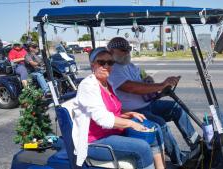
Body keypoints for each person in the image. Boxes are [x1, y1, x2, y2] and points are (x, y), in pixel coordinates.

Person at [107, 37, 200, 166]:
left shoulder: (129, 65)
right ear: (111, 51)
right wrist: (162, 85)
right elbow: (132, 87)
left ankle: (196, 144)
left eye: (129, 49)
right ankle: (179, 160)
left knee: (176, 108)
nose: (127, 52)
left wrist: (149, 79)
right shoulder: (113, 69)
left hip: (148, 103)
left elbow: (143, 77)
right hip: (134, 111)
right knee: (160, 124)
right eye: (123, 50)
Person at [72, 47, 165, 169]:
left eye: (110, 62)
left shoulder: (107, 83)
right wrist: (131, 123)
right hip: (96, 141)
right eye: (101, 62)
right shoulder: (88, 86)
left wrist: (129, 113)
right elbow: (104, 119)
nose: (106, 65)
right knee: (142, 147)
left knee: (153, 129)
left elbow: (114, 110)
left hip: (114, 133)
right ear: (93, 65)